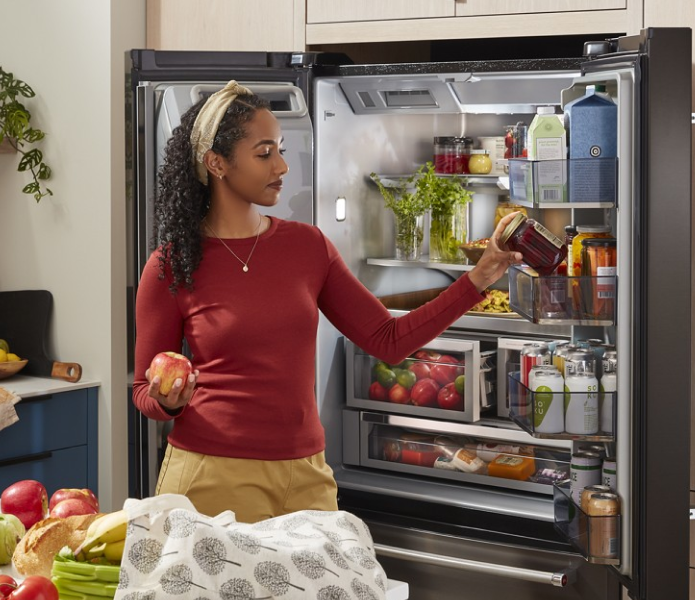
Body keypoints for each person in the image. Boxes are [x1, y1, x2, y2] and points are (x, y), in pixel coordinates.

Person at [132, 80, 523, 523]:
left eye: (279, 149)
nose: (281, 165)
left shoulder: (307, 247)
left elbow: (388, 339)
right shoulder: (173, 264)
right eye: (264, 154)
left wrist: (479, 277)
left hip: (306, 474)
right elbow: (143, 391)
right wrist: (170, 402)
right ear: (216, 163)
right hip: (211, 475)